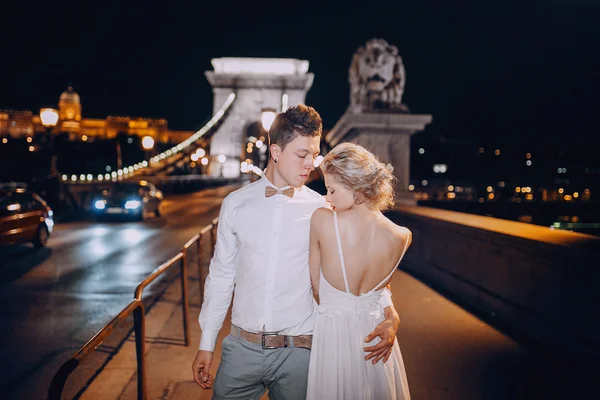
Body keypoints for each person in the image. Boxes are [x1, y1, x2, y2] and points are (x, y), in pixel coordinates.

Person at [191, 105, 401, 400]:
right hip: (241, 349)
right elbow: (221, 276)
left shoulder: (326, 209)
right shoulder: (235, 205)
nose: (311, 165)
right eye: (302, 155)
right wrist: (206, 342)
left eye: (314, 155)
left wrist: (391, 315)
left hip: (301, 353)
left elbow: (365, 267)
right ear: (275, 151)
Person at [306, 142, 412, 399]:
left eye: (331, 189)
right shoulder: (402, 236)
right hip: (377, 342)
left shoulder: (322, 219)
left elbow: (316, 287)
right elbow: (381, 290)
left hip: (334, 341)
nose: (327, 198)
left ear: (357, 187)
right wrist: (392, 316)